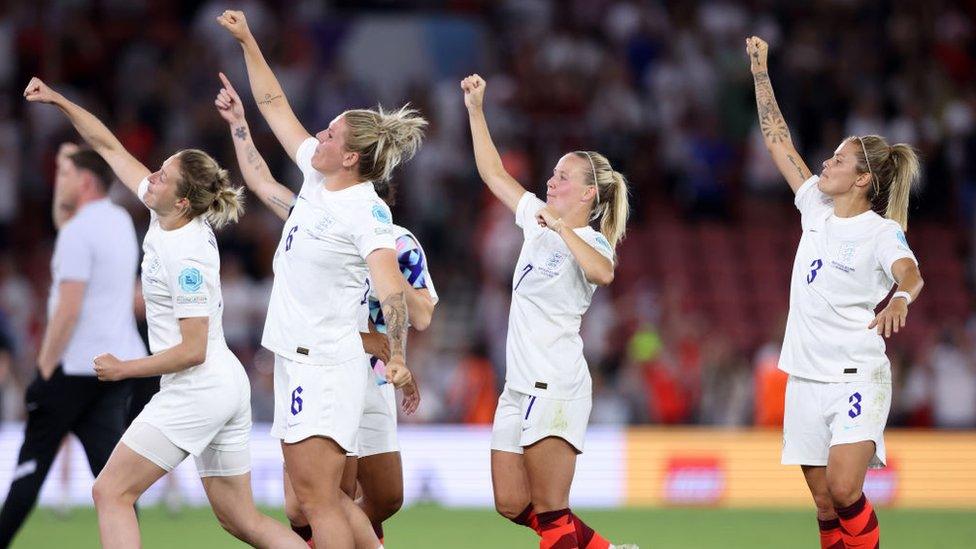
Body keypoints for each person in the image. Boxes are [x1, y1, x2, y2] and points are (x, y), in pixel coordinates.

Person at [22, 76, 307, 549]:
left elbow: (192, 350)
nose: (149, 176)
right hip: (221, 384)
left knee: (109, 492)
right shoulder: (165, 210)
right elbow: (107, 145)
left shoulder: (187, 254)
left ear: (181, 199)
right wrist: (59, 100)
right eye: (157, 168)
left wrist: (124, 369)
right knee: (241, 520)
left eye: (161, 175)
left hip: (200, 387)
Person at [218, 11, 424, 549]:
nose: (318, 135)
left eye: (329, 133)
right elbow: (274, 106)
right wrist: (246, 41)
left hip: (325, 361)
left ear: (350, 156)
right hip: (295, 356)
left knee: (320, 501)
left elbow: (390, 291)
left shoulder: (366, 211)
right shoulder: (317, 176)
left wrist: (397, 353)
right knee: (307, 502)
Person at [747, 36, 925, 549]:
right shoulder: (814, 210)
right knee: (824, 502)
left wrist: (899, 298)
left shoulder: (879, 230)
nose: (826, 163)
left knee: (847, 488)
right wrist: (761, 71)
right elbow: (778, 140)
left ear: (863, 179)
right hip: (804, 374)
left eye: (839, 160)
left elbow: (910, 272)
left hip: (855, 371)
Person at [462, 74, 635, 549]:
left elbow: (604, 273)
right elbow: (494, 174)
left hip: (555, 383)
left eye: (563, 177)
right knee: (512, 503)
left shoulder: (591, 239)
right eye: (553, 173)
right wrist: (477, 110)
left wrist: (562, 230)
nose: (550, 181)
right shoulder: (537, 219)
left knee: (552, 510)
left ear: (587, 195)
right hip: (519, 383)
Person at [0, 141, 146, 548]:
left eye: (63, 174)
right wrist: (71, 163)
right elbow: (65, 217)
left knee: (30, 468)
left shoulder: (78, 232)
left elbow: (67, 311)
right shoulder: (119, 221)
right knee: (114, 481)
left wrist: (43, 372)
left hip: (73, 369)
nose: (56, 180)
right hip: (116, 368)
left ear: (84, 182)